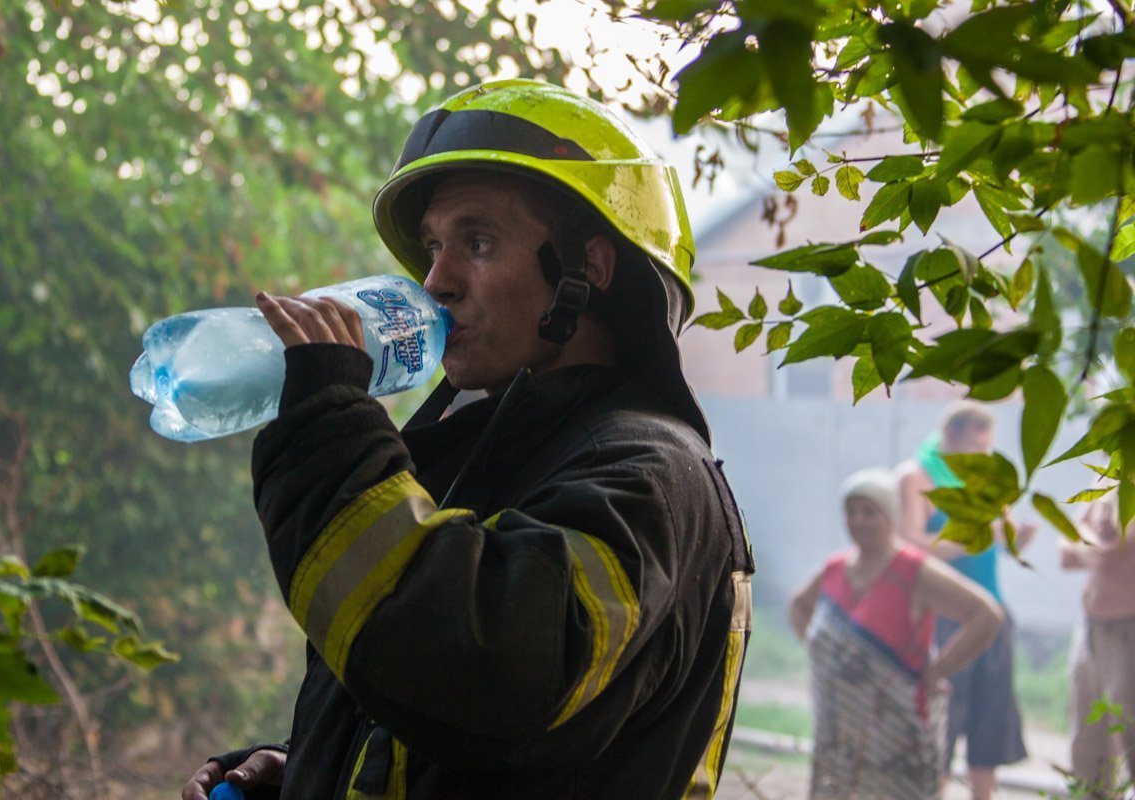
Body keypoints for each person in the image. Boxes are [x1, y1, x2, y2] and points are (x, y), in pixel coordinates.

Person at [179, 79, 754, 800]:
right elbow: (436, 724)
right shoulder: (495, 456)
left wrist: (331, 426)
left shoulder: (651, 476)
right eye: (432, 247)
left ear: (591, 270)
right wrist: (308, 770)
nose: (435, 281)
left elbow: (491, 678)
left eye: (477, 243)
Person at [789, 468, 1003, 800]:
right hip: (839, 733)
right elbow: (798, 605)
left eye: (869, 512)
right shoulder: (835, 568)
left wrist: (938, 671)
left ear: (890, 515)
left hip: (897, 733)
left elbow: (986, 615)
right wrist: (828, 658)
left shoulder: (912, 569)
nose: (858, 520)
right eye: (851, 511)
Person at [896, 400, 1037, 800]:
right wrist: (974, 537)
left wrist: (1019, 537)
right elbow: (909, 544)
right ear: (950, 435)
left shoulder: (986, 479)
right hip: (941, 616)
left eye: (987, 449)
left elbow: (1004, 541)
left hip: (992, 612)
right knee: (941, 717)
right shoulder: (916, 477)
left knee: (990, 719)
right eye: (976, 448)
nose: (983, 457)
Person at [1060, 491, 1135, 799]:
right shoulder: (1104, 478)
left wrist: (1082, 538)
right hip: (1090, 629)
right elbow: (1065, 554)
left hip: (1128, 633)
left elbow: (1107, 559)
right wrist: (1092, 545)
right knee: (1087, 743)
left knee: (1130, 735)